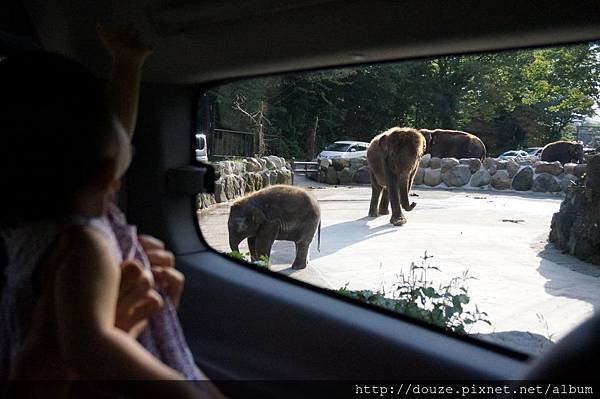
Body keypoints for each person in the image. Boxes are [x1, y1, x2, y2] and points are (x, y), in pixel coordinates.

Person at [0, 25, 222, 398]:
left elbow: (110, 132)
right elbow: (91, 347)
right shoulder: (85, 244)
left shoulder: (28, 232)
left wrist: (127, 65)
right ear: (108, 174)